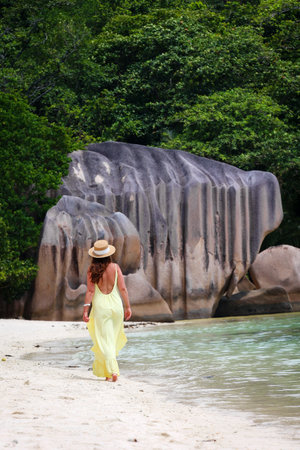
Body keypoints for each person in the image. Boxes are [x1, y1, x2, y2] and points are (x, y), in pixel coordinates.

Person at [83, 239, 132, 382]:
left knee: (104, 340)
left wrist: (86, 310)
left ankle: (113, 371)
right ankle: (107, 373)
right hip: (116, 306)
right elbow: (123, 288)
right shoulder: (115, 267)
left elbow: (90, 291)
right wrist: (127, 306)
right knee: (111, 340)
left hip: (101, 307)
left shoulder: (91, 270)